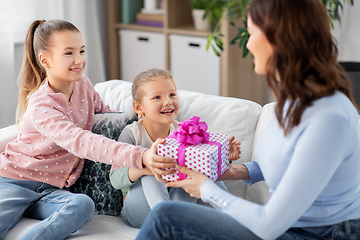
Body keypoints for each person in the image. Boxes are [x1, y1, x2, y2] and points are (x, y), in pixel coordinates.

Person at [135, 0, 360, 239]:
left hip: (321, 235)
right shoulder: (295, 100)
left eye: (252, 33)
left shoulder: (328, 120)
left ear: (279, 39)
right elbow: (287, 162)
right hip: (291, 228)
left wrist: (206, 188)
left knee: (166, 218)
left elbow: (267, 225)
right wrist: (232, 171)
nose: (248, 43)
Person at [0, 20, 175, 240]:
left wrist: (143, 114)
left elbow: (105, 117)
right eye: (68, 53)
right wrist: (142, 156)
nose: (79, 60)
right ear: (45, 60)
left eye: (81, 50)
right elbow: (83, 142)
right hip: (16, 180)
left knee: (83, 205)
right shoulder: (42, 105)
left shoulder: (83, 85)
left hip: (52, 189)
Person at [109, 68, 241, 228]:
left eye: (172, 95)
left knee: (192, 169)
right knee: (153, 169)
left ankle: (234, 217)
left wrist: (224, 158)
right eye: (157, 97)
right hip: (138, 210)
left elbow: (205, 171)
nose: (167, 101)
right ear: (138, 108)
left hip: (176, 204)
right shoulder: (131, 134)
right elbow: (115, 178)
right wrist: (146, 168)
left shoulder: (184, 131)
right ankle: (170, 219)